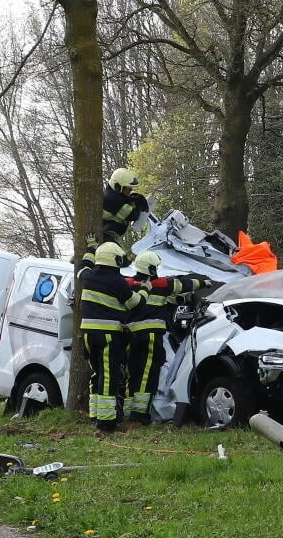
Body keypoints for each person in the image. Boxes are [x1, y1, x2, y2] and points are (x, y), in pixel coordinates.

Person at [124, 251, 213, 426]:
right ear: (150, 268)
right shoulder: (161, 284)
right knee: (147, 374)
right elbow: (184, 284)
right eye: (155, 267)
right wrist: (204, 282)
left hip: (130, 336)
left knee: (132, 373)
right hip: (150, 336)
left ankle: (129, 410)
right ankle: (139, 414)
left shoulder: (127, 284)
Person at [77, 241, 138, 433]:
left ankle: (96, 414)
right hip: (108, 335)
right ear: (116, 259)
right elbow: (133, 303)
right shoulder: (117, 281)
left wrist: (90, 249)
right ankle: (106, 422)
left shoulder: (87, 277)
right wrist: (144, 289)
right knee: (109, 375)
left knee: (96, 373)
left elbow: (81, 267)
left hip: (87, 333)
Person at [101, 167, 152, 256]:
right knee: (123, 261)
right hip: (107, 236)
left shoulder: (114, 194)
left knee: (123, 261)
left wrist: (136, 197)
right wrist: (138, 203)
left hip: (110, 236)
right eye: (129, 189)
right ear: (118, 187)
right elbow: (132, 215)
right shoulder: (111, 199)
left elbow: (125, 198)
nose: (130, 191)